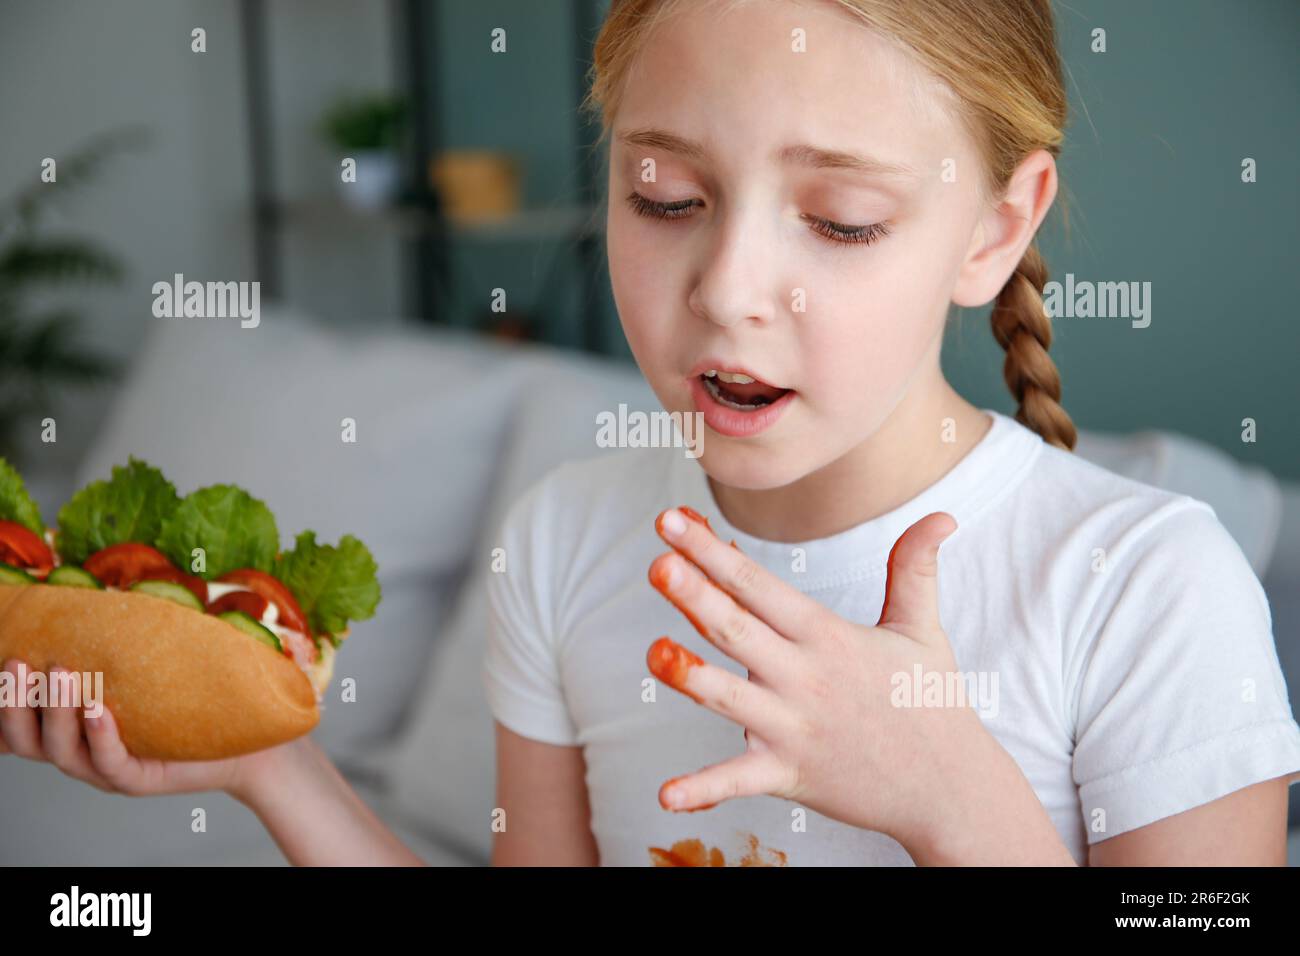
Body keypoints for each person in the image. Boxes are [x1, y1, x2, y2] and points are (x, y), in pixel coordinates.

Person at [4, 0, 1297, 868]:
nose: (726, 287)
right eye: (663, 196)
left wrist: (952, 801)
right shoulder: (566, 537)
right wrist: (276, 770)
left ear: (996, 230)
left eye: (840, 218)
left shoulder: (1147, 587)